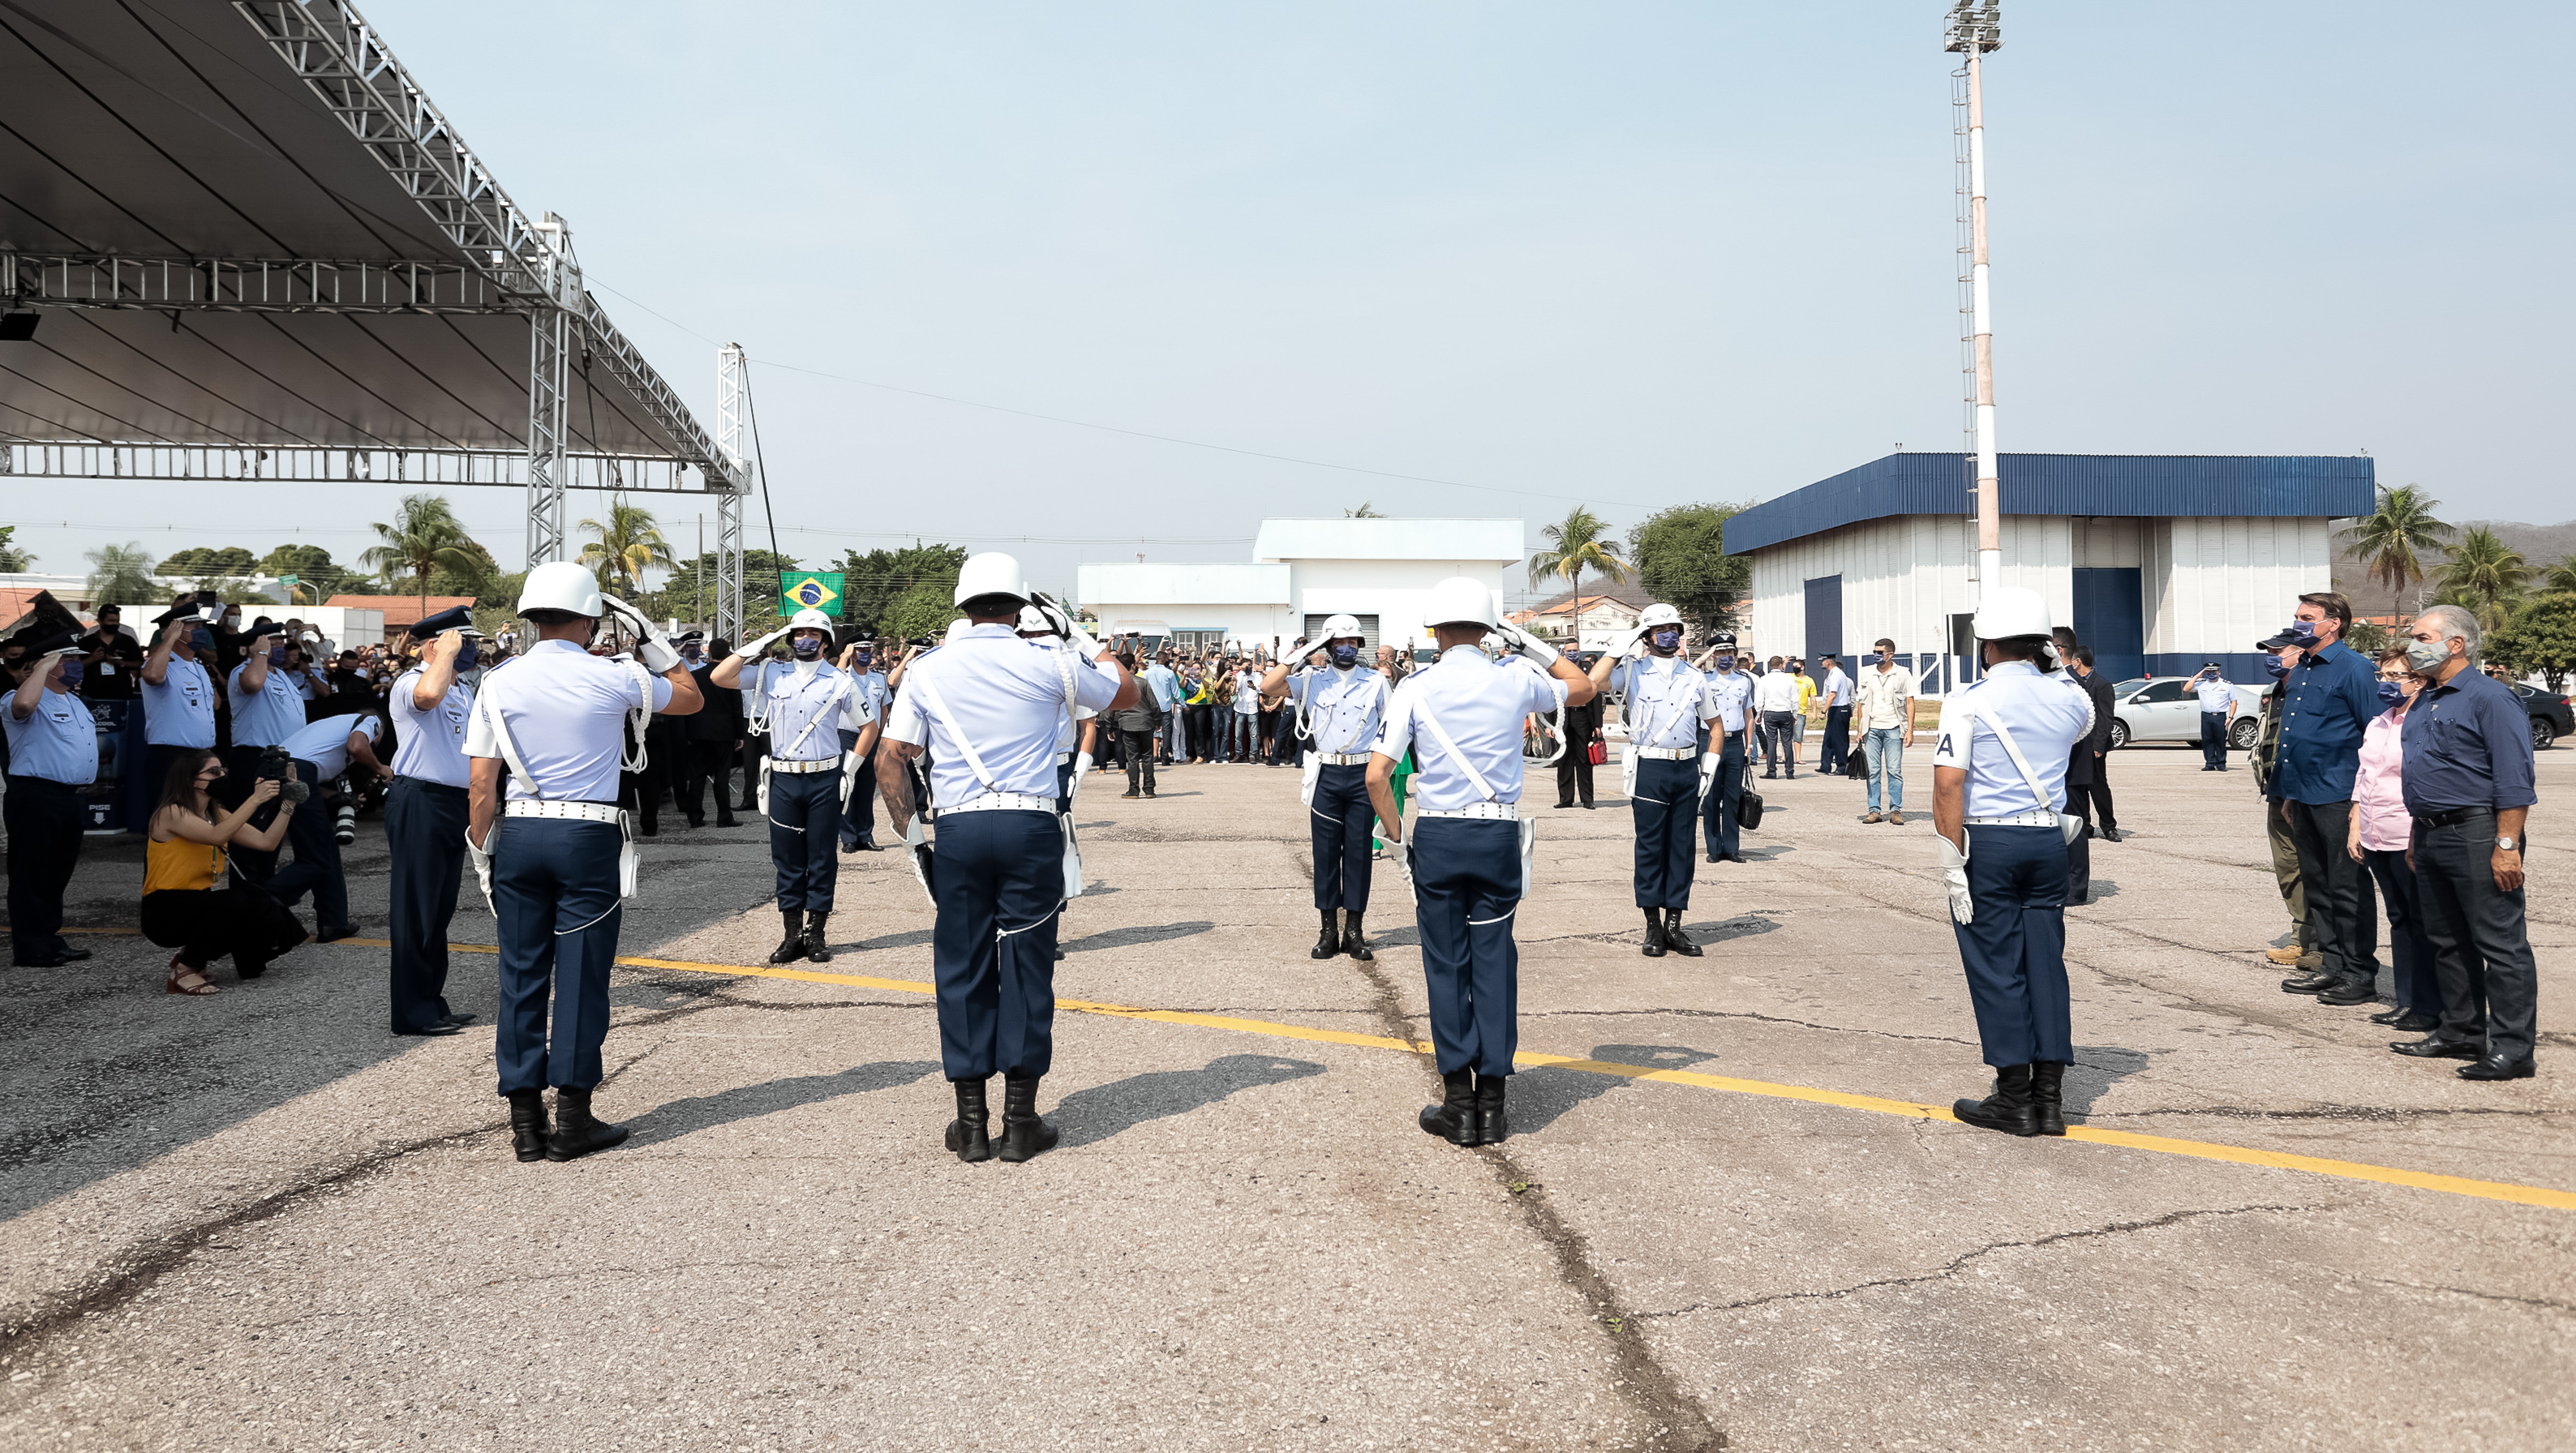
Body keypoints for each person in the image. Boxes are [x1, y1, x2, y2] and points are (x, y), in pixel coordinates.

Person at [874, 554, 1135, 1164]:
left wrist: (914, 838)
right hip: (1030, 823)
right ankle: (1020, 1123)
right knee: (1026, 961)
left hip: (960, 829)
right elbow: (1123, 689)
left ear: (963, 606)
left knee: (961, 966)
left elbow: (893, 757)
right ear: (1020, 608)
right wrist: (1078, 632)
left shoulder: (930, 669)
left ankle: (970, 1126)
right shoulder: (1051, 661)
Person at [465, 563, 702, 1162]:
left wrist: (483, 852)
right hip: (586, 835)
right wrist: (649, 636)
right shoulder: (615, 677)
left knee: (520, 976)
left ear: (528, 617)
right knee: (581, 976)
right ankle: (573, 1119)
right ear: (592, 616)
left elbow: (479, 785)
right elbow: (692, 698)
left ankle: (524, 1123)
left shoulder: (496, 681)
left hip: (517, 830)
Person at [1370, 578, 1593, 1147]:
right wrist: (1533, 644)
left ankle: (1459, 1104)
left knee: (1446, 965)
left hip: (1441, 836)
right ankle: (1493, 1102)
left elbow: (1377, 776)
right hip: (1498, 835)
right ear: (1492, 629)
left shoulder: (1415, 688)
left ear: (1436, 631)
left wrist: (1397, 843)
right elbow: (1584, 686)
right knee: (1493, 961)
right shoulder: (1516, 678)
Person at [1931, 586, 2094, 1138]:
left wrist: (1953, 862)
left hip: (1992, 844)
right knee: (2046, 964)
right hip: (2049, 842)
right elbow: (2084, 719)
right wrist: (2052, 667)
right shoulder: (2069, 697)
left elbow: (1949, 785)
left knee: (1996, 968)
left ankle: (2014, 1098)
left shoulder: (1968, 699)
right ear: (2043, 645)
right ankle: (2050, 1099)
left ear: (1986, 645)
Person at [2390, 606, 2539, 1080]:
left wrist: (2507, 844)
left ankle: (2514, 1050)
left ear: (2455, 644)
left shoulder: (2490, 698)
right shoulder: (2427, 698)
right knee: (2447, 941)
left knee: (2500, 944)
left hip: (2477, 833)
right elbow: (2423, 774)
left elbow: (2514, 779)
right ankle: (2461, 1032)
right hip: (2431, 833)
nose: (2412, 645)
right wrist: (2417, 836)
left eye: (2420, 636)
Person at [715, 608, 880, 966]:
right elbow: (720, 676)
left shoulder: (839, 681)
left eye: (813, 634)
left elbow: (869, 726)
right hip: (784, 778)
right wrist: (764, 640)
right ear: (791, 639)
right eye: (799, 633)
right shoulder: (771, 673)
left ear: (825, 642)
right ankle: (792, 934)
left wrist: (849, 771)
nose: (805, 639)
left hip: (824, 777)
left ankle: (816, 933)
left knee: (822, 858)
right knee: (787, 858)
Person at [2267, 594, 2385, 1008]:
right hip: (2302, 794)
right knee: (2318, 884)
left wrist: (2361, 802)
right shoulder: (2300, 669)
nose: (2298, 624)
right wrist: (2287, 793)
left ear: (2333, 624)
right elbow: (2293, 737)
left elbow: (2375, 736)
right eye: (2296, 616)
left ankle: (2358, 972)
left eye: (2307, 618)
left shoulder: (2356, 670)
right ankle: (2331, 965)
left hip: (2339, 795)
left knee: (2347, 886)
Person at [1591, 603, 1717, 957]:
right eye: (1661, 629)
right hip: (1650, 767)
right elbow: (1593, 684)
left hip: (1687, 767)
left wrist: (1710, 768)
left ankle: (1674, 925)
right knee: (1649, 847)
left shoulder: (1694, 676)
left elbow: (1716, 727)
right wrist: (1619, 648)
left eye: (1675, 628)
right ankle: (1652, 927)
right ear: (1646, 636)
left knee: (1682, 848)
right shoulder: (1632, 671)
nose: (1670, 634)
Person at [1262, 616, 1390, 959]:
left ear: (1360, 646)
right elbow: (1268, 686)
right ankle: (1328, 930)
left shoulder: (1377, 682)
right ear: (1328, 647)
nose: (1345, 647)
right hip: (1328, 775)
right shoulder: (1311, 680)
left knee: (1360, 855)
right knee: (1326, 854)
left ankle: (1355, 931)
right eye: (1338, 642)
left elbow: (1390, 731)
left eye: (1352, 642)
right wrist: (1304, 651)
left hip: (1363, 774)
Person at [384, 612, 481, 1037]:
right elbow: (426, 698)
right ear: (433, 647)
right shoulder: (412, 681)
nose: (470, 650)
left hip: (453, 804)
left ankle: (431, 1002)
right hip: (421, 801)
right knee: (416, 910)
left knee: (437, 912)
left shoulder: (459, 689)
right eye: (461, 642)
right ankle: (411, 1012)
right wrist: (443, 655)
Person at [142, 749, 302, 993]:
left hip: (199, 902)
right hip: (163, 910)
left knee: (253, 902)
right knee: (233, 900)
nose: (222, 776)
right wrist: (256, 799)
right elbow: (217, 835)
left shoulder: (217, 815)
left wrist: (288, 804)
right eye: (213, 772)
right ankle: (185, 969)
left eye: (223, 771)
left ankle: (195, 955)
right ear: (190, 780)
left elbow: (266, 842)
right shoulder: (171, 813)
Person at [2349, 646, 2445, 1035]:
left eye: (2394, 677)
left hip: (2407, 832)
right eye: (2382, 676)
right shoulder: (2379, 722)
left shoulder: (2424, 723)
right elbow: (2364, 775)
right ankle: (2407, 1000)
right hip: (2375, 832)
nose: (2386, 684)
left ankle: (2430, 1004)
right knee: (2400, 918)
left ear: (2418, 681)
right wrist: (2355, 824)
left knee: (2423, 922)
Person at [5, 638, 96, 967]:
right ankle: (31, 948)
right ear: (46, 664)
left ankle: (49, 939)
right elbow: (23, 708)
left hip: (67, 797)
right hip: (35, 795)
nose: (75, 664)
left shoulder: (73, 701)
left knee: (56, 874)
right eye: (67, 659)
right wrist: (42, 666)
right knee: (30, 874)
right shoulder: (19, 699)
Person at [265, 709, 393, 941]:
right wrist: (380, 768)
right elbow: (357, 747)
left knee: (325, 850)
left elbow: (306, 775)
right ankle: (260, 900)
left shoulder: (324, 726)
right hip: (297, 771)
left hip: (274, 768)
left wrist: (340, 797)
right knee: (317, 857)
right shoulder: (370, 720)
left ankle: (333, 922)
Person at [2250, 639, 2319, 974]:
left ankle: (2321, 945)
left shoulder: (2309, 689)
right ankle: (2301, 935)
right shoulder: (2274, 691)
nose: (2271, 658)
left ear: (2298, 654)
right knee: (2288, 868)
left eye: (2278, 652)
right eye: (2269, 653)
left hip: (2306, 793)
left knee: (2314, 868)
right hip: (2277, 792)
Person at [219, 617, 300, 882]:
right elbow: (253, 684)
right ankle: (245, 895)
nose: (278, 647)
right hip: (254, 759)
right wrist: (260, 655)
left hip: (281, 760)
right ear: (255, 647)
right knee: (250, 830)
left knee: (274, 830)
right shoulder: (244, 671)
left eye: (279, 643)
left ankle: (264, 890)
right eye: (271, 643)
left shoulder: (282, 676)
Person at [139, 606, 221, 814]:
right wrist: (168, 640)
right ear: (175, 631)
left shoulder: (199, 667)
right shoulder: (161, 665)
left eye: (202, 626)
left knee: (199, 817)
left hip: (202, 755)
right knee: (170, 818)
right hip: (172, 757)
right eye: (195, 627)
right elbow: (153, 676)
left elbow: (215, 705)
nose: (202, 631)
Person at [1699, 636, 1754, 864]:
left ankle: (1732, 848)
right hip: (1710, 740)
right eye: (1720, 654)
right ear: (1713, 656)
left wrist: (1749, 744)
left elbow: (1748, 714)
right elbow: (1688, 670)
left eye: (1729, 653)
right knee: (1711, 797)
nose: (1726, 658)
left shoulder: (1744, 680)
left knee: (1732, 797)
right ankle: (1714, 847)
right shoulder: (1703, 679)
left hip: (1734, 744)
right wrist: (1706, 654)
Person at [682, 637, 745, 830]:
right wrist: (740, 735)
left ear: (708, 652)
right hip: (724, 732)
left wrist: (688, 730)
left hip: (699, 730)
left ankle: (694, 816)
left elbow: (689, 704)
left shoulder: (697, 675)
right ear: (727, 654)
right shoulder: (728, 677)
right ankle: (724, 816)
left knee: (697, 775)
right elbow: (737, 708)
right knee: (722, 776)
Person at [835, 639, 891, 852]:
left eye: (868, 650)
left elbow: (884, 707)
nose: (865, 654)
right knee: (846, 786)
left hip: (872, 737)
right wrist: (843, 658)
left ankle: (865, 835)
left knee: (867, 788)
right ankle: (848, 837)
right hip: (847, 736)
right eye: (860, 650)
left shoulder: (879, 679)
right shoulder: (842, 675)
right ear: (852, 652)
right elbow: (832, 683)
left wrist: (880, 732)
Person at [1854, 638, 1916, 825]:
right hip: (1872, 729)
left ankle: (1895, 810)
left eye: (1880, 653)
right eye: (1875, 651)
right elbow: (1860, 704)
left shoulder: (1903, 673)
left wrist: (1910, 730)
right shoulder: (1866, 673)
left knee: (1894, 771)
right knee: (1873, 771)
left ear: (1891, 654)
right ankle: (1874, 811)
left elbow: (1910, 702)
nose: (1877, 655)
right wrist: (1859, 730)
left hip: (1894, 728)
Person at [2067, 647, 2120, 842]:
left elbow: (2106, 718)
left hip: (2095, 745)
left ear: (2078, 662)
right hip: (2078, 744)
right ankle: (2085, 826)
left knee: (2098, 787)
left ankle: (2109, 827)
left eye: (2072, 662)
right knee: (2078, 787)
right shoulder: (2072, 684)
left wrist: (2099, 746)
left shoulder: (2102, 685)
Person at [1104, 652, 1166, 799]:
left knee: (1132, 758)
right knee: (1147, 756)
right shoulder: (1143, 683)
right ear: (1133, 665)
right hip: (1145, 722)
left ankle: (1133, 790)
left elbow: (1110, 708)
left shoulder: (1117, 684)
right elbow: (1154, 704)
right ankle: (1149, 789)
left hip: (1127, 724)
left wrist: (1109, 727)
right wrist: (1158, 721)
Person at [1554, 650, 1603, 810]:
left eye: (1575, 650)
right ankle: (1566, 799)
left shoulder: (1587, 668)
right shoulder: (1558, 669)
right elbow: (1552, 694)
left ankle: (1587, 799)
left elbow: (1596, 695)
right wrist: (1550, 724)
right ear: (1564, 652)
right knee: (1564, 760)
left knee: (1585, 760)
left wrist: (1597, 725)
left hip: (1583, 717)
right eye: (1569, 651)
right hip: (1564, 718)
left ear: (1579, 651)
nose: (1572, 653)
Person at [77, 606, 143, 703]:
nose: (114, 624)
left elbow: (140, 663)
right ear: (100, 620)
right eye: (111, 621)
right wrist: (92, 659)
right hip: (91, 693)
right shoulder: (86, 642)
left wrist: (122, 663)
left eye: (117, 621)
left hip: (121, 693)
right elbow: (74, 666)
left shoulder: (127, 641)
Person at [1754, 655, 1800, 779]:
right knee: (1787, 742)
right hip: (1785, 712)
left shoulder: (1764, 679)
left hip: (1770, 713)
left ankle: (1771, 771)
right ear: (1781, 665)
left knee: (1771, 742)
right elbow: (1795, 699)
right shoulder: (1789, 679)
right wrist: (1795, 714)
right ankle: (1790, 771)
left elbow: (1759, 699)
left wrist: (1758, 714)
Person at [2191, 663, 2235, 771]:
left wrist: (2230, 717)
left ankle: (2221, 764)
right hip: (2206, 715)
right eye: (2209, 672)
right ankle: (2210, 763)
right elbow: (2187, 688)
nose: (2211, 674)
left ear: (2219, 672)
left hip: (2220, 716)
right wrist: (2197, 676)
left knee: (2220, 741)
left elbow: (2234, 701)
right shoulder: (2202, 685)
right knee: (2207, 740)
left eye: (2214, 672)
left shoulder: (2227, 685)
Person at [1816, 654, 1854, 774]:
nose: (1822, 663)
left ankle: (1841, 766)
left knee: (1839, 739)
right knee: (1829, 738)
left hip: (1839, 708)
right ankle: (1825, 765)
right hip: (1837, 709)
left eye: (1823, 661)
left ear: (1828, 662)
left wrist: (1823, 711)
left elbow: (1832, 695)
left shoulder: (1835, 675)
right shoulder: (1836, 673)